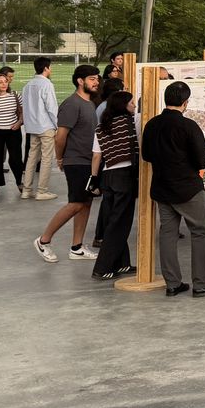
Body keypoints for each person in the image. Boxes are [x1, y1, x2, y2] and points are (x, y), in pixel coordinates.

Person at [140, 81, 205, 297]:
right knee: (200, 231)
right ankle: (201, 282)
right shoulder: (189, 126)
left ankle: (172, 283)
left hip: (161, 187)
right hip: (187, 188)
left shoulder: (151, 124)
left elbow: (146, 155)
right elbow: (202, 160)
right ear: (185, 103)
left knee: (168, 234)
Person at [33, 64, 101, 263]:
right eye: (92, 79)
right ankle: (43, 240)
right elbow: (60, 136)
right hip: (75, 160)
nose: (96, 82)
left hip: (88, 161)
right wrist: (60, 158)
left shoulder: (90, 103)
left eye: (97, 79)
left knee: (86, 203)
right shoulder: (72, 104)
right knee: (76, 203)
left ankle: (77, 247)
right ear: (80, 81)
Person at [89, 90, 138, 280]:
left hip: (106, 176)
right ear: (123, 106)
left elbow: (96, 156)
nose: (134, 106)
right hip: (124, 176)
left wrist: (94, 178)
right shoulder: (130, 123)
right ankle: (102, 267)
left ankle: (122, 263)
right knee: (119, 224)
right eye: (131, 103)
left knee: (113, 220)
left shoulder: (102, 126)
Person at [20, 57, 59, 201]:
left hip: (32, 127)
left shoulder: (28, 85)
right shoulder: (47, 84)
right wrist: (57, 125)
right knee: (46, 159)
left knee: (31, 158)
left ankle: (26, 190)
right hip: (46, 126)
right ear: (46, 68)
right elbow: (52, 108)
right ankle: (42, 190)